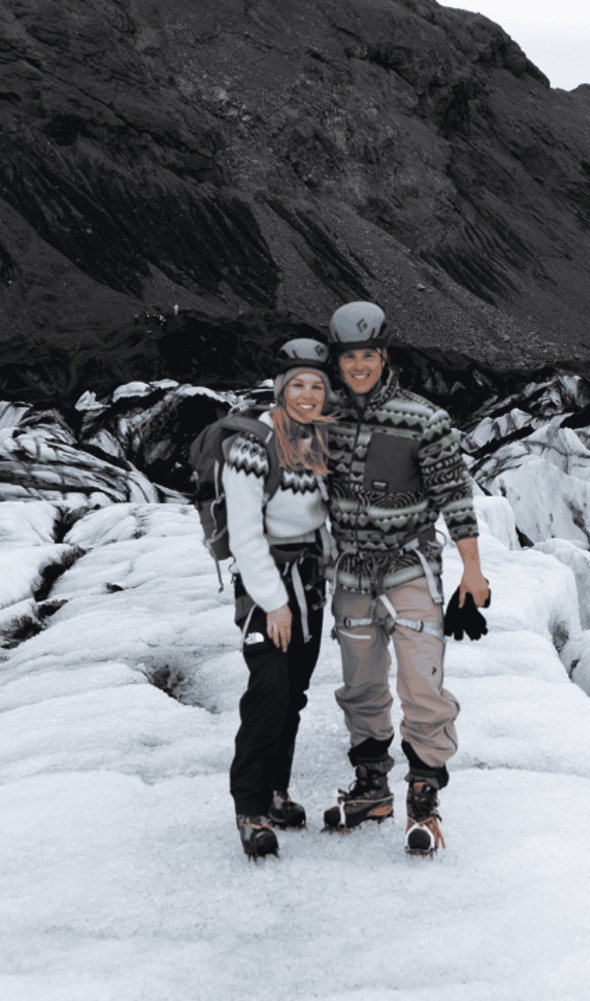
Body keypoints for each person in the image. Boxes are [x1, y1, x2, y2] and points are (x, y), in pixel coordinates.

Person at [320, 301, 487, 857]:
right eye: (349, 357)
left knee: (422, 684)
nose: (358, 366)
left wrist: (472, 569)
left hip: (409, 568)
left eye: (367, 355)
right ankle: (372, 789)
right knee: (362, 685)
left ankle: (423, 795)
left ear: (384, 355)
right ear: (338, 360)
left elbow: (454, 496)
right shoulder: (326, 419)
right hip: (351, 572)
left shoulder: (424, 419)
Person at [226, 337, 336, 859]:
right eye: (298, 385)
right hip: (266, 588)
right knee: (268, 690)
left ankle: (275, 793)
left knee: (292, 694)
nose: (308, 394)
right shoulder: (252, 447)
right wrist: (274, 603)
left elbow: (326, 521)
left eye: (317, 386)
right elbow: (245, 535)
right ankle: (249, 807)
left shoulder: (321, 442)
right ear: (280, 389)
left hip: (309, 583)